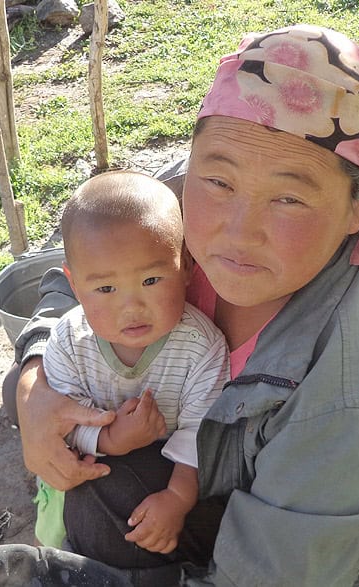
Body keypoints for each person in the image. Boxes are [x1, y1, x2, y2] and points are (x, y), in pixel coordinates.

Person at [4, 23, 359, 586]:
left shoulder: (358, 382)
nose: (237, 231)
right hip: (189, 450)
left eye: (289, 197)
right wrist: (34, 390)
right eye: (218, 182)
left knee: (112, 498)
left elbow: (273, 573)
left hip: (303, 516)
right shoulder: (193, 188)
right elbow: (80, 267)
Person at [33, 171, 230, 555]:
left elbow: (200, 435)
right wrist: (111, 439)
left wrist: (177, 497)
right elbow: (60, 420)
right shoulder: (70, 343)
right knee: (59, 533)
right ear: (74, 286)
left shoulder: (202, 348)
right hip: (91, 460)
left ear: (186, 266)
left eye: (152, 280)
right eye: (106, 288)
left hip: (170, 471)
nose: (132, 306)